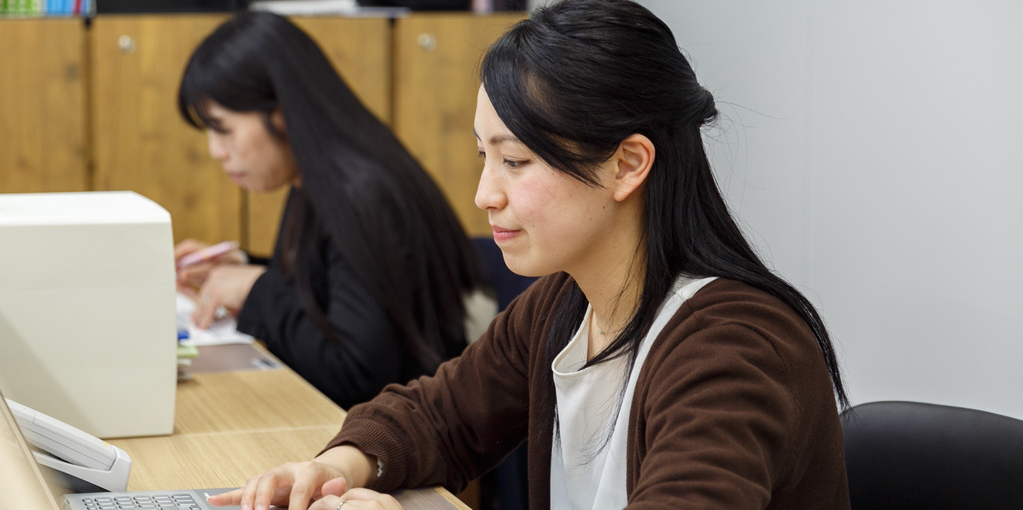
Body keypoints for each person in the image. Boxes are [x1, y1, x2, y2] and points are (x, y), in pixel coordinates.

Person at [210, 1, 851, 509]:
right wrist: (331, 469)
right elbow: (439, 416)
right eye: (484, 157)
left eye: (516, 161)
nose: (485, 194)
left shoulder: (734, 347)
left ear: (627, 164)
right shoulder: (565, 304)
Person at [173, 11, 481, 409]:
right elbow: (333, 285)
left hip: (400, 445)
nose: (216, 150)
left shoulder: (360, 194)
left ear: (280, 112)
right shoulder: (327, 176)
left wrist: (256, 289)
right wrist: (242, 265)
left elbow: (357, 372)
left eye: (224, 129)